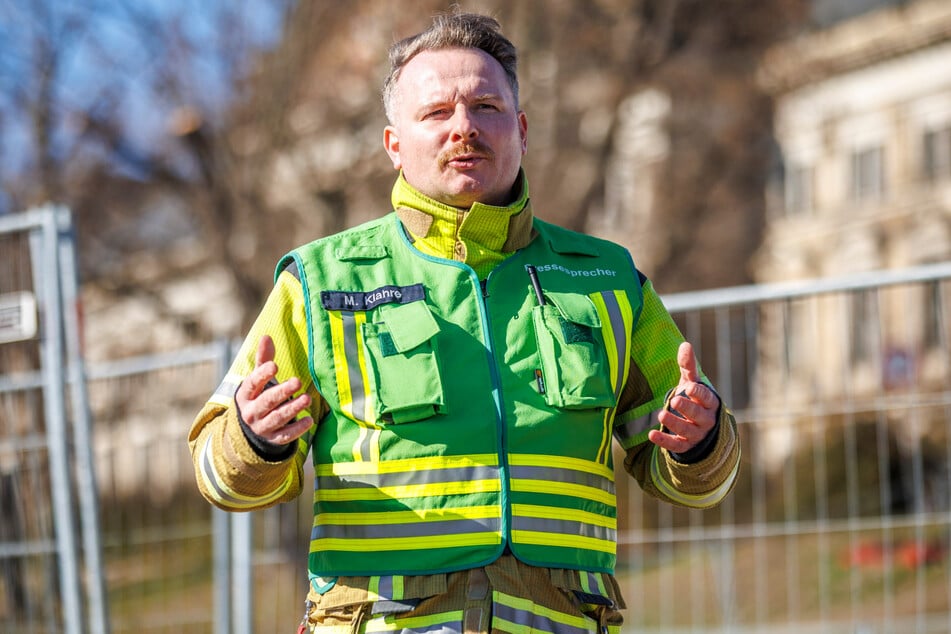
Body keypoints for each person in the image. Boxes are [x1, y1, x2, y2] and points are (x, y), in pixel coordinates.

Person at [188, 11, 740, 633]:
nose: (464, 128)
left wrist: (702, 439)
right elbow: (219, 475)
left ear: (523, 131)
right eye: (436, 113)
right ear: (395, 145)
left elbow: (701, 486)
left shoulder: (610, 280)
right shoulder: (320, 282)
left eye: (486, 107)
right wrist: (256, 438)